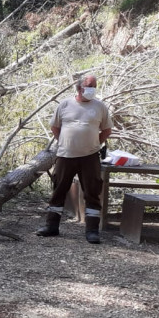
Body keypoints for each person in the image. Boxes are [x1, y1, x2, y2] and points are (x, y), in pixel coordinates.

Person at [36, 73, 113, 243]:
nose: (92, 89)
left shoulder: (100, 107)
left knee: (92, 192)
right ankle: (51, 226)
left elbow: (107, 130)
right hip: (66, 155)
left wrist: (94, 144)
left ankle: (92, 230)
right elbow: (55, 127)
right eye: (89, 86)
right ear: (79, 88)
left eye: (95, 86)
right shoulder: (65, 104)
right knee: (59, 190)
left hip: (90, 156)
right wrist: (66, 142)